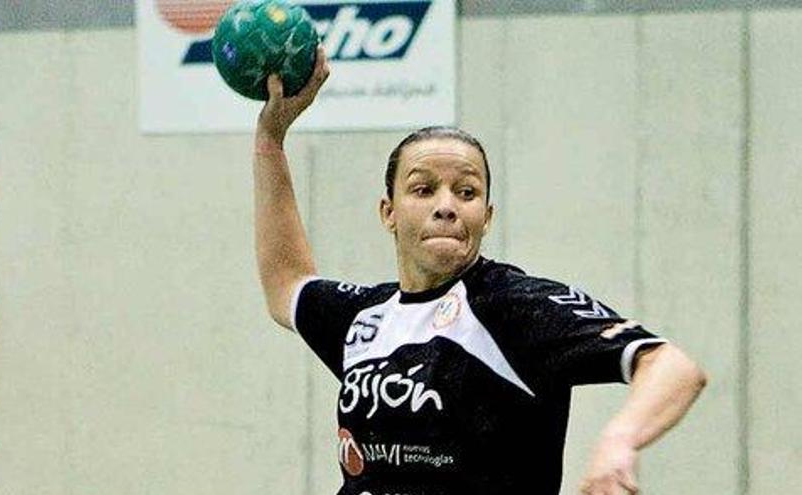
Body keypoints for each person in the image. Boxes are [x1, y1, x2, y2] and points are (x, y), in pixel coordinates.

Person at [253, 48, 707, 495]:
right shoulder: (365, 319)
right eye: (424, 189)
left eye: (466, 192)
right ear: (388, 212)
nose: (446, 206)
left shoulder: (513, 306)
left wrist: (618, 441)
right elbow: (287, 284)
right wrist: (271, 139)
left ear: (486, 217)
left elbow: (672, 366)